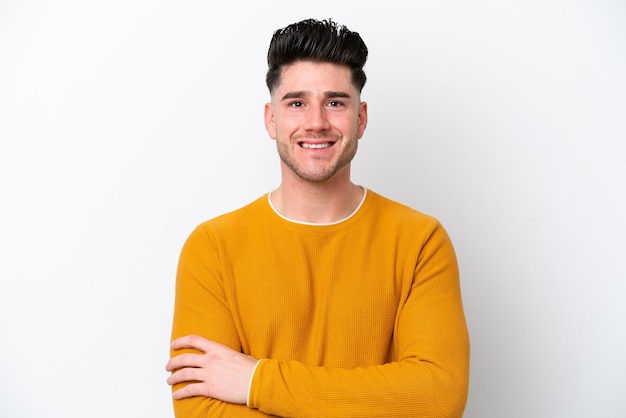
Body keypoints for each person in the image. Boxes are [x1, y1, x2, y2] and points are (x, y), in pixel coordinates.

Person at [165, 18, 470, 417]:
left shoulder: (420, 241)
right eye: (296, 103)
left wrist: (257, 381)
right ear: (271, 119)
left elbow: (438, 396)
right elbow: (201, 409)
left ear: (360, 118)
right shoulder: (212, 247)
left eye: (334, 102)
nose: (316, 122)